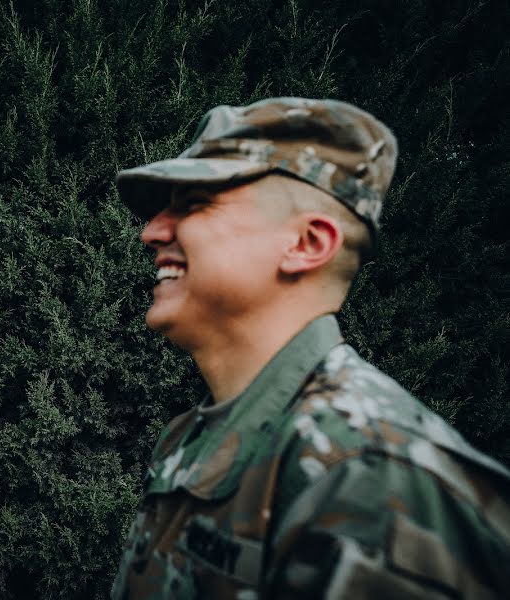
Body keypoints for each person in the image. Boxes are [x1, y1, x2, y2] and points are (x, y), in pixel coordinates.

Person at [111, 97, 510, 598]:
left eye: (193, 203)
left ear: (307, 244)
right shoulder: (188, 438)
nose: (151, 231)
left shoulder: (371, 473)